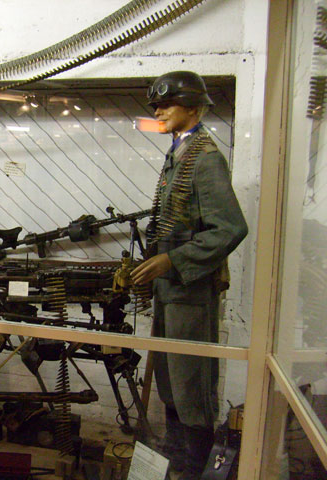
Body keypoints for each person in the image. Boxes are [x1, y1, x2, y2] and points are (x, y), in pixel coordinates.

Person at [130, 71, 248, 479]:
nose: (159, 111)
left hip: (191, 291)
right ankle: (177, 459)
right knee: (170, 380)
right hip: (171, 290)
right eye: (156, 105)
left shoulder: (205, 158)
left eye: (167, 104)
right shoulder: (180, 152)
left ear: (194, 107)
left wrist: (173, 260)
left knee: (190, 384)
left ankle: (192, 466)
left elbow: (230, 228)